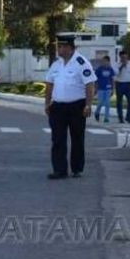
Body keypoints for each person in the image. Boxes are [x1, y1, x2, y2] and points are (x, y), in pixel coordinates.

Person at [44, 33, 96, 180]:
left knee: (77, 138)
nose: (59, 49)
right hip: (58, 107)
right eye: (58, 46)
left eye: (62, 46)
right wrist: (47, 103)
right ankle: (59, 170)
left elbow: (90, 84)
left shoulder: (81, 62)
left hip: (77, 106)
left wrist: (88, 105)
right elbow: (49, 84)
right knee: (57, 139)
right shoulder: (56, 64)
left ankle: (77, 168)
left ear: (70, 47)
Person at [115, 50, 130, 124]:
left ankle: (128, 117)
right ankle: (120, 118)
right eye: (122, 57)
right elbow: (116, 74)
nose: (124, 58)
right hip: (120, 84)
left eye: (125, 57)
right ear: (120, 57)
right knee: (119, 102)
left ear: (127, 56)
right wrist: (122, 66)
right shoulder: (117, 64)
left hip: (129, 84)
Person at [93, 56, 115, 123]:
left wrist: (113, 89)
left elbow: (112, 80)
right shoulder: (99, 69)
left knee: (107, 104)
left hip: (108, 89)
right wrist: (95, 88)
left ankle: (106, 118)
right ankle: (97, 112)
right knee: (100, 103)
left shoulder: (110, 69)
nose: (104, 62)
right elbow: (95, 80)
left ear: (108, 62)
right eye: (103, 61)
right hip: (100, 89)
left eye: (105, 61)